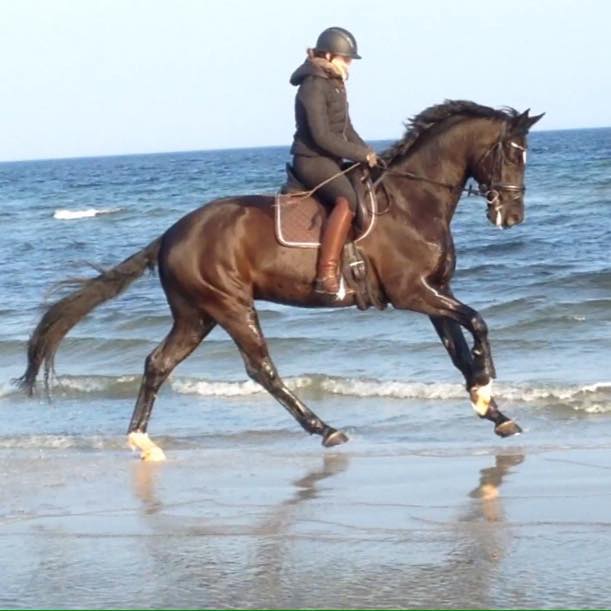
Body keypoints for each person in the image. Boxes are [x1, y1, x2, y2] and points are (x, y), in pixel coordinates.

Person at [289, 26, 379, 295]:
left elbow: (346, 130)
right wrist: (360, 155)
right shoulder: (313, 86)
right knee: (347, 200)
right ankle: (326, 274)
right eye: (346, 58)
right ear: (328, 55)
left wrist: (371, 155)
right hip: (311, 158)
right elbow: (322, 136)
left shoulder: (335, 84)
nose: (349, 64)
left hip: (330, 157)